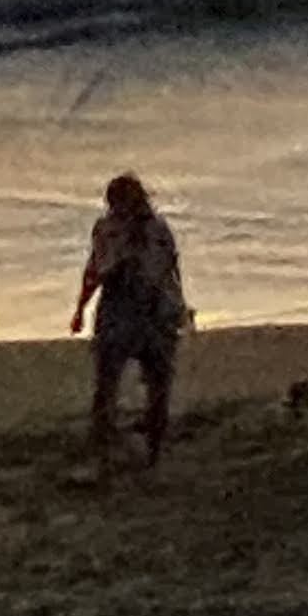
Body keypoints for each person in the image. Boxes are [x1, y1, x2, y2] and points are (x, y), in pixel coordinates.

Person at [72, 171, 188, 467]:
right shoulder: (141, 229)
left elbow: (98, 270)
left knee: (142, 382)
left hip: (141, 307)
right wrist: (81, 307)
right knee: (121, 381)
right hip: (138, 305)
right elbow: (97, 269)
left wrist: (179, 306)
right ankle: (122, 446)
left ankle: (142, 447)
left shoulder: (137, 230)